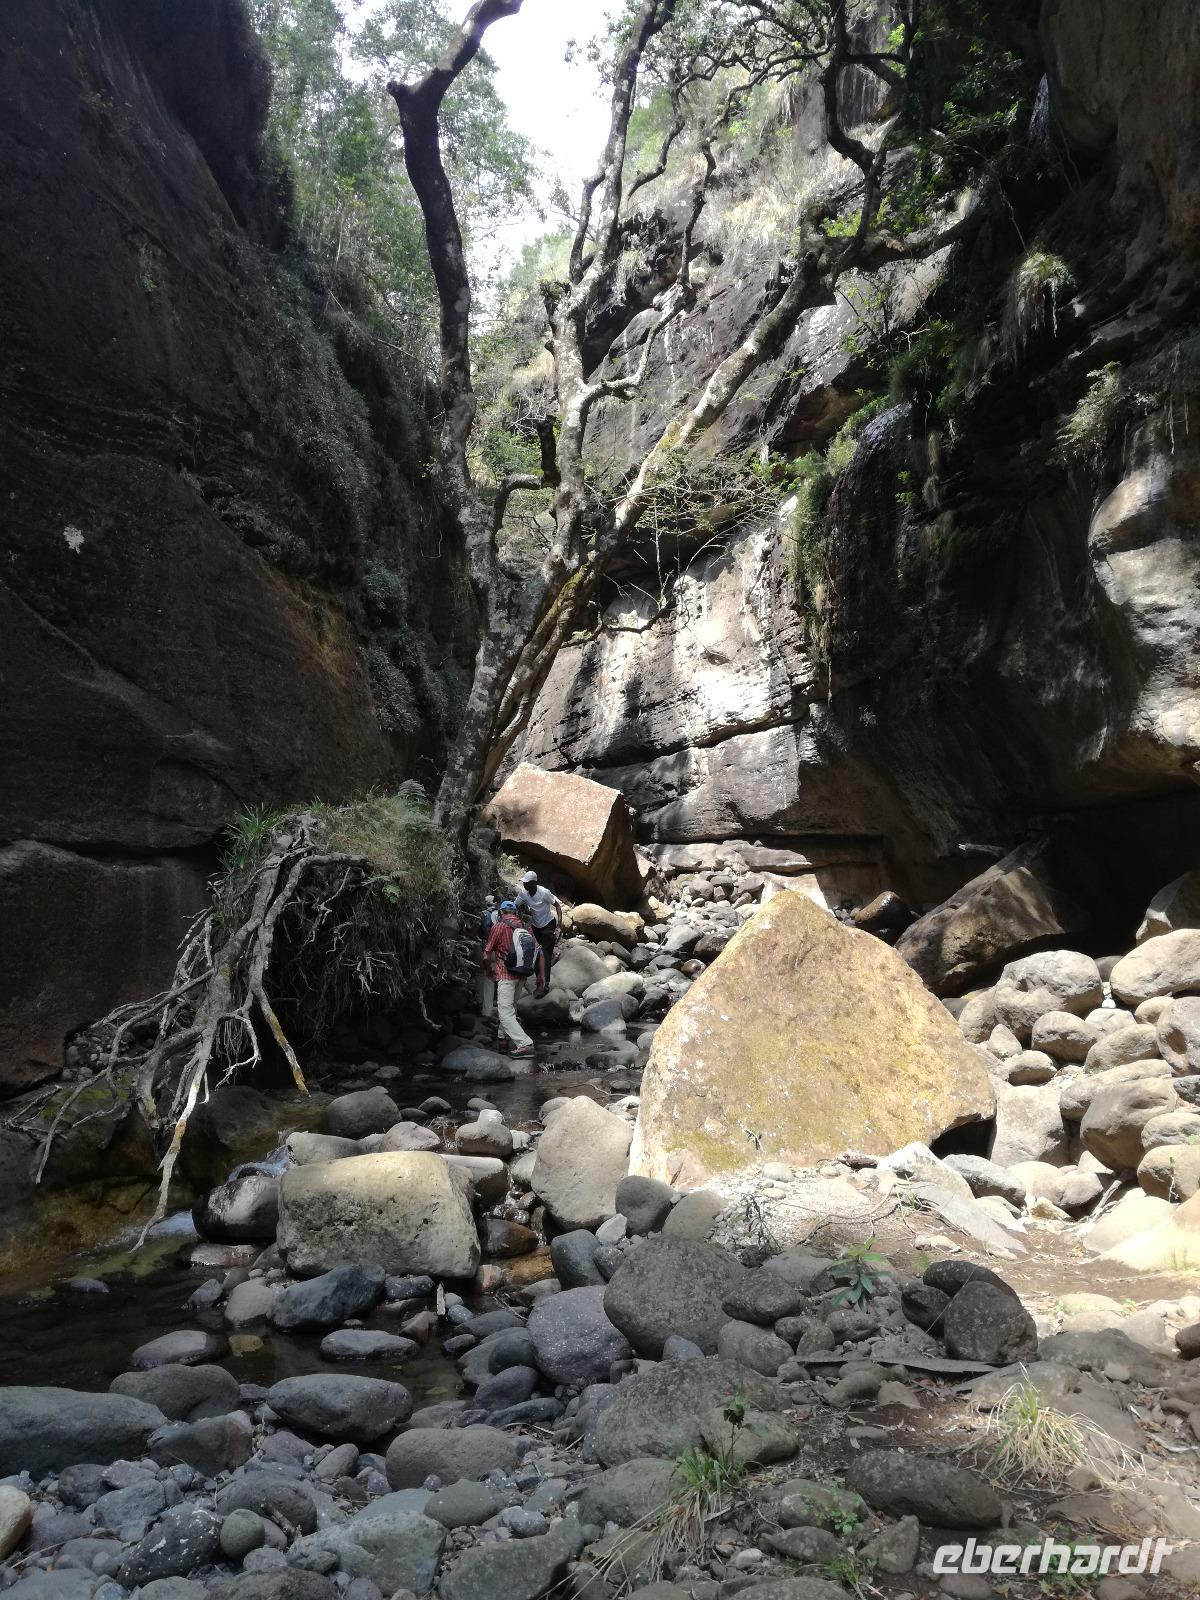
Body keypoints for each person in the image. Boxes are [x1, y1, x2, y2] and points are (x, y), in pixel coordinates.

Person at [482, 901, 546, 1057]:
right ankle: (503, 1041)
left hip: (505, 975)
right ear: (515, 913)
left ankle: (524, 1043)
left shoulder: (498, 927)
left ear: (501, 912)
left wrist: (489, 971)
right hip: (522, 975)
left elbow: (486, 955)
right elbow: (540, 952)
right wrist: (541, 976)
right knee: (511, 1008)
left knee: (504, 1012)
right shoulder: (525, 927)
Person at [516, 870, 561, 982]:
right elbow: (514, 905)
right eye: (523, 882)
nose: (524, 884)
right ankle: (539, 979)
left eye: (526, 882)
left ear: (533, 883)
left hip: (548, 924)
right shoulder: (523, 893)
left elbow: (558, 906)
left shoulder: (544, 892)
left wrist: (559, 926)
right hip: (536, 926)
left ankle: (545, 984)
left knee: (545, 954)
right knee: (537, 953)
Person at [478, 895, 500, 1024]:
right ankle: (507, 1010)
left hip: (487, 948)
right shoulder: (502, 914)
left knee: (487, 978)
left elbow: (477, 931)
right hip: (501, 949)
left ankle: (486, 1010)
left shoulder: (482, 914)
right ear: (495, 903)